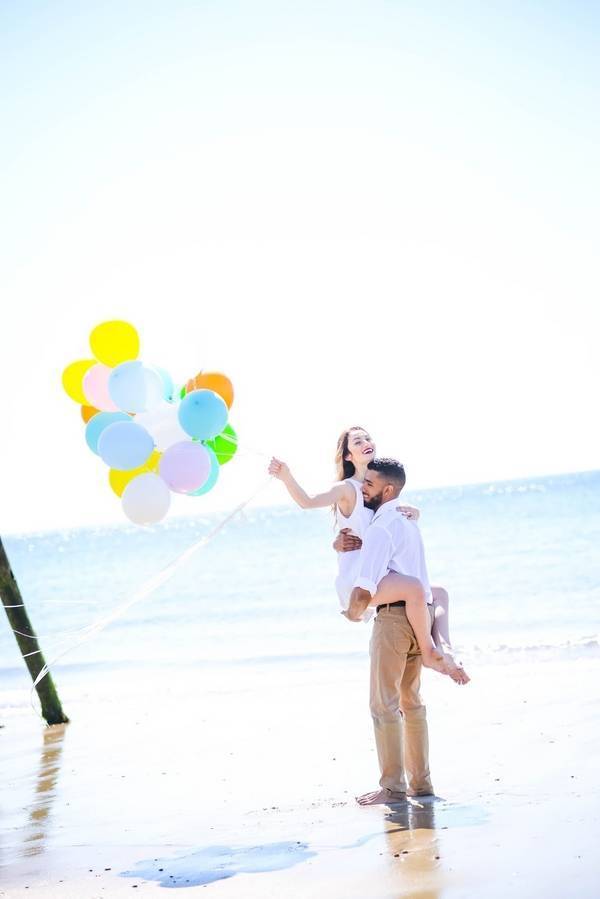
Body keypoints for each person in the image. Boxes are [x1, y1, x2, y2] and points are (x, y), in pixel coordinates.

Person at [269, 426, 468, 683]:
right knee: (415, 589)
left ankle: (446, 649)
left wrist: (415, 513)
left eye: (367, 438)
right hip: (360, 577)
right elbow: (307, 501)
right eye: (357, 441)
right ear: (348, 456)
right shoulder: (346, 489)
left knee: (439, 593)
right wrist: (286, 476)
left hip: (381, 572)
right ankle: (429, 650)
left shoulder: (379, 486)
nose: (366, 442)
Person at [350, 456, 443, 805]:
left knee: (383, 704)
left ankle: (392, 788)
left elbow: (366, 584)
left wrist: (351, 612)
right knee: (411, 703)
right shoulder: (407, 522)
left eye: (369, 484)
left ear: (387, 489)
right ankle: (422, 784)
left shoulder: (382, 528)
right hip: (421, 617)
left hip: (392, 621)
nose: (363, 487)